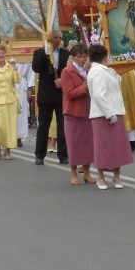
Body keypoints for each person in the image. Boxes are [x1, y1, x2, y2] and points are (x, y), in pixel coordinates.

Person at [87, 44, 134, 190]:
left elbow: (116, 84)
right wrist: (109, 113)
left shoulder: (105, 70)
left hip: (115, 111)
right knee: (103, 146)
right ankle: (100, 177)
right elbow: (99, 95)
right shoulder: (97, 71)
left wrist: (111, 70)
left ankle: (116, 176)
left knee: (117, 146)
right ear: (104, 56)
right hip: (103, 114)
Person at [60, 43, 95, 185]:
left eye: (84, 56)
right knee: (74, 144)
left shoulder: (90, 70)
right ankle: (73, 173)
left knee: (87, 144)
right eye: (79, 57)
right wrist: (84, 87)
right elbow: (69, 93)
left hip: (88, 111)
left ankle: (87, 172)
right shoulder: (67, 71)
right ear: (73, 57)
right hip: (73, 112)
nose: (82, 59)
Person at [32, 30, 68, 165]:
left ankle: (63, 155)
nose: (57, 40)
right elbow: (36, 68)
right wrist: (45, 52)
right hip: (46, 95)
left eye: (59, 38)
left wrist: (62, 81)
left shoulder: (66, 54)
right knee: (44, 126)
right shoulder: (40, 53)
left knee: (62, 126)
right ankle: (39, 154)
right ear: (49, 39)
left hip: (61, 94)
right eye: (54, 38)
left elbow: (70, 71)